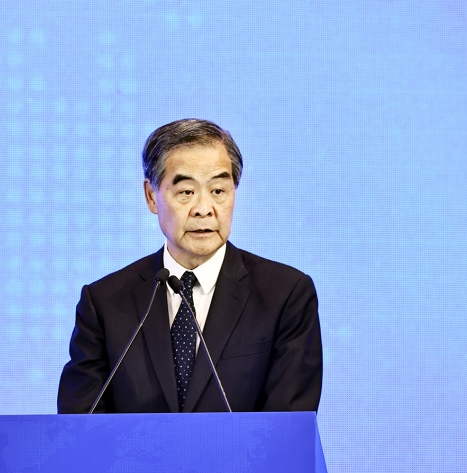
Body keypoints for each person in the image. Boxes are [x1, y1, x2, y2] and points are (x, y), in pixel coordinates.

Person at [57, 119, 322, 413]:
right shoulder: (105, 303)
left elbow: (289, 425)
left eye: (218, 191)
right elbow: (78, 425)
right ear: (151, 196)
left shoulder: (285, 296)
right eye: (186, 192)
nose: (204, 209)